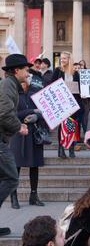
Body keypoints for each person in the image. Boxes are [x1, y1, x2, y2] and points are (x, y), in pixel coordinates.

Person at [0, 54, 31, 236]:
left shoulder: (11, 85)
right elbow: (3, 113)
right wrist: (18, 127)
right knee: (11, 177)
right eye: (26, 70)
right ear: (17, 70)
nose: (28, 74)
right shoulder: (7, 86)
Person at [9, 78, 46, 209]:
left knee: (34, 166)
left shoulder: (35, 95)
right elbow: (12, 113)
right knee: (15, 167)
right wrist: (31, 112)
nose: (23, 85)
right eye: (21, 83)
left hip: (33, 133)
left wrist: (37, 116)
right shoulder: (13, 95)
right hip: (17, 133)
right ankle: (14, 196)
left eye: (25, 82)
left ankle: (34, 195)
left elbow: (43, 111)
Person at [51, 51, 82, 159]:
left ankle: (71, 149)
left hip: (72, 103)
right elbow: (51, 85)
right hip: (61, 104)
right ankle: (61, 149)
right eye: (61, 58)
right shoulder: (58, 71)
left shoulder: (75, 73)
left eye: (64, 58)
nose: (62, 60)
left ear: (69, 59)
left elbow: (79, 87)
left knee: (72, 126)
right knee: (62, 127)